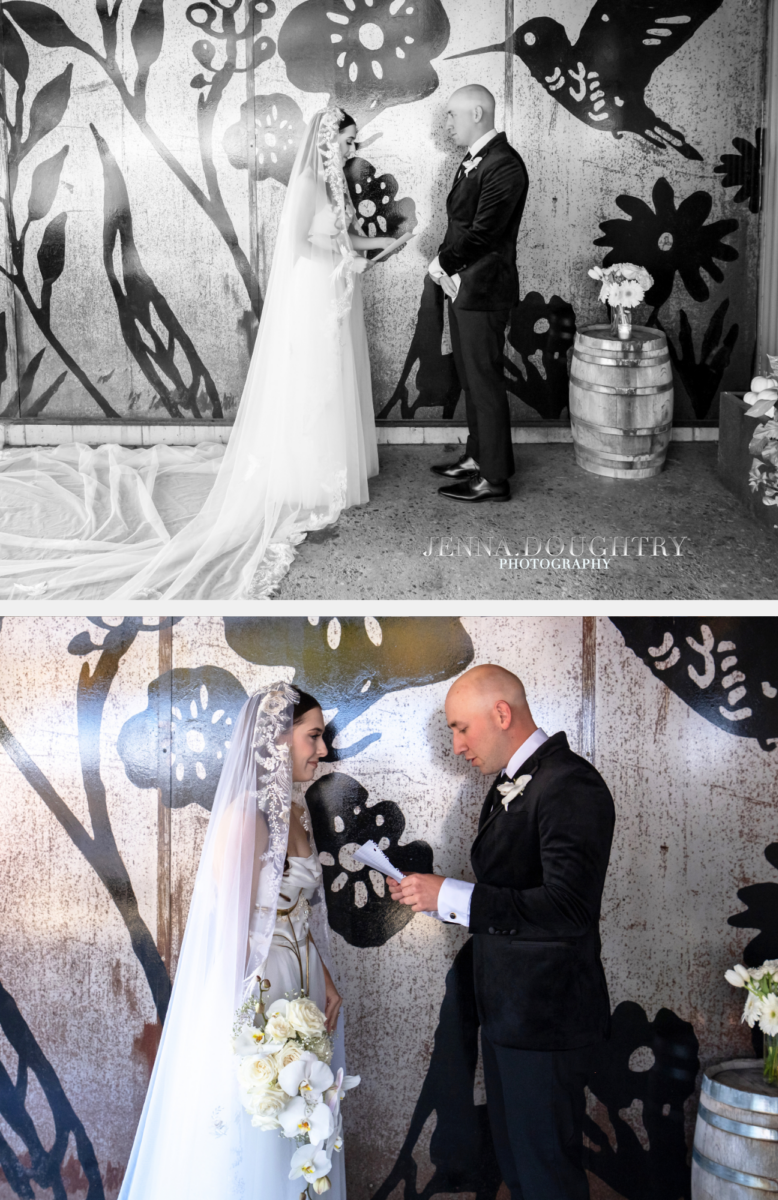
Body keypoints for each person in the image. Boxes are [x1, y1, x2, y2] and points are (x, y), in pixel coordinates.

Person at [0, 108, 395, 599]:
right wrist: (348, 262)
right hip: (316, 290)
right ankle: (306, 477)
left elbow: (344, 236)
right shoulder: (312, 187)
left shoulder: (337, 190)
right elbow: (301, 247)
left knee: (334, 380)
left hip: (338, 288)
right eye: (348, 142)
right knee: (312, 380)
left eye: (354, 143)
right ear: (325, 142)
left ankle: (334, 465)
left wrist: (382, 243)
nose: (352, 151)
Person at [388, 664, 615, 1200]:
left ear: (502, 713)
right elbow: (514, 893)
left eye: (460, 728)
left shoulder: (570, 783)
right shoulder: (510, 784)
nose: (456, 745)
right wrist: (441, 899)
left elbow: (569, 909)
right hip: (510, 1020)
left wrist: (451, 897)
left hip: (548, 1024)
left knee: (548, 1179)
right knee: (520, 1173)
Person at [119, 682, 353, 1200]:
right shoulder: (246, 819)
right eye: (313, 736)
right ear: (277, 739)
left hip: (303, 986)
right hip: (258, 993)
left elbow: (291, 915)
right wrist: (247, 1029)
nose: (323, 750)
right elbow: (232, 931)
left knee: (304, 1122)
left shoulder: (294, 811)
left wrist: (328, 983)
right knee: (261, 1113)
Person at [428, 86, 529, 503]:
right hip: (464, 287)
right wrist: (447, 267)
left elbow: (484, 233)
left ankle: (495, 478)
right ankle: (478, 457)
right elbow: (463, 225)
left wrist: (440, 264)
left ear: (477, 112)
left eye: (452, 116)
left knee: (484, 382)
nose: (447, 124)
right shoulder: (477, 160)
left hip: (484, 289)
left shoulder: (504, 165)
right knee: (471, 379)